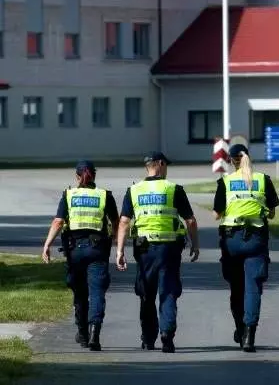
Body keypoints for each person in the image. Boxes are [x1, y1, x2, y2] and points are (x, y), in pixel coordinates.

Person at [115, 151, 199, 353]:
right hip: (169, 249)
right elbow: (190, 220)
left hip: (144, 250)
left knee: (146, 293)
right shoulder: (173, 189)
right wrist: (195, 244)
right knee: (168, 291)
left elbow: (124, 222)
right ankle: (167, 335)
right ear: (160, 164)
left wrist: (119, 251)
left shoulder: (134, 190)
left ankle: (148, 338)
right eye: (166, 165)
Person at [42, 160, 119, 351]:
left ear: (77, 177)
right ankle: (95, 333)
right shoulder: (104, 195)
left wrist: (47, 245)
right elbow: (117, 222)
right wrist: (118, 243)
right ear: (94, 175)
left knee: (80, 293)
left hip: (74, 251)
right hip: (97, 250)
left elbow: (58, 222)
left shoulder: (68, 195)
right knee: (97, 292)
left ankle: (83, 334)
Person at [213, 144, 279, 353]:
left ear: (231, 161)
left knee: (236, 288)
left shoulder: (225, 181)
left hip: (232, 240)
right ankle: (250, 334)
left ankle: (240, 328)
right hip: (256, 239)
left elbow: (217, 214)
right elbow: (271, 213)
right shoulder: (263, 180)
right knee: (253, 288)